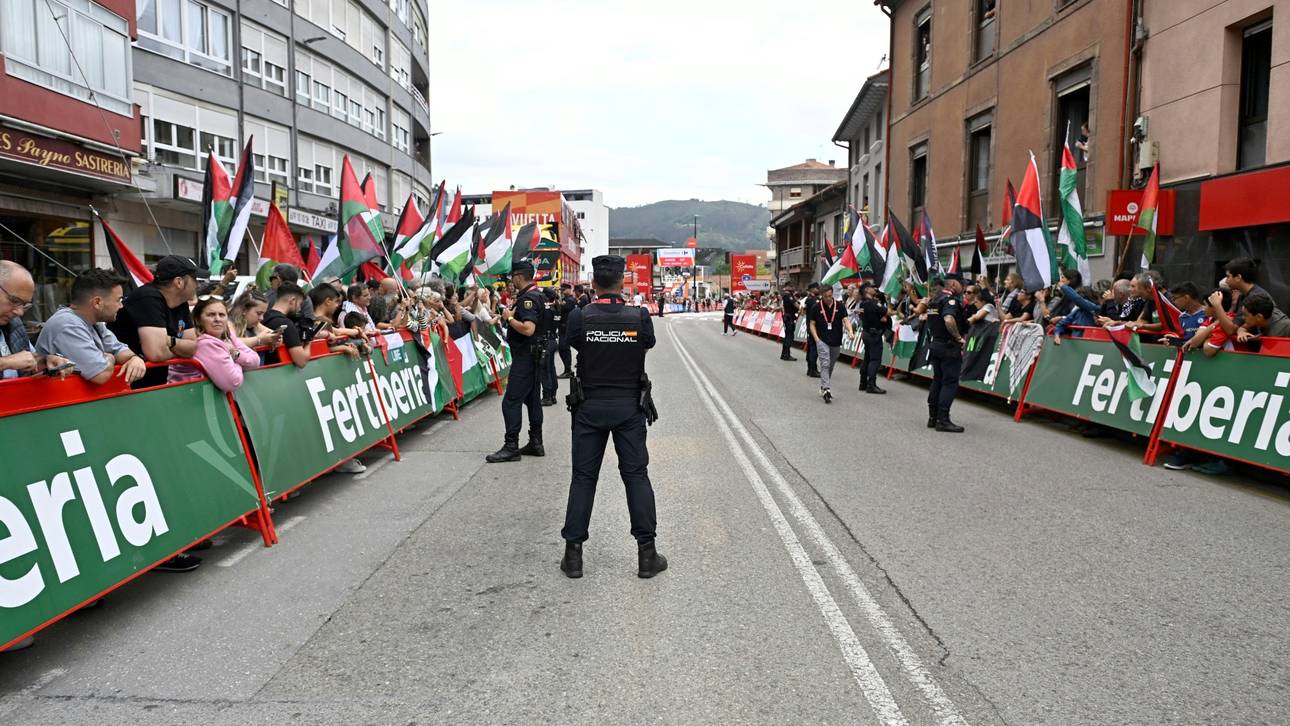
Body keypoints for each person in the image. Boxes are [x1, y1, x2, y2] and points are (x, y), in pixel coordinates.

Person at [560, 255, 664, 579]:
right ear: (622, 283)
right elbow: (644, 347)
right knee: (636, 477)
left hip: (590, 406)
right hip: (628, 408)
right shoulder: (639, 317)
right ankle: (647, 555)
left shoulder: (580, 316)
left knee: (583, 478)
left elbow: (574, 345)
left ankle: (573, 556)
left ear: (594, 284)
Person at [34, 269, 146, 385]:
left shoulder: (94, 322)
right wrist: (111, 358)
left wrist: (134, 358)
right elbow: (101, 374)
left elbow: (119, 350)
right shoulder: (68, 324)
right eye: (119, 300)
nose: (121, 306)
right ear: (97, 302)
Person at [108, 255, 203, 389]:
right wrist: (178, 348)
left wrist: (170, 341)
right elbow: (156, 353)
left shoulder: (181, 303)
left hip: (154, 384)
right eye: (194, 279)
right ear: (179, 282)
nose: (198, 285)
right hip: (126, 386)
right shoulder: (147, 298)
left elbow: (192, 348)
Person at [486, 260, 547, 462]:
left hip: (526, 356)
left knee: (511, 402)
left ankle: (511, 445)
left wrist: (509, 319)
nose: (511, 281)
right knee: (532, 400)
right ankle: (536, 442)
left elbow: (528, 329)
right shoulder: (537, 295)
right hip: (535, 355)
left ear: (519, 277)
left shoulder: (527, 298)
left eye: (513, 277)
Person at [167, 297, 260, 392]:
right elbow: (233, 382)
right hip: (187, 397)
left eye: (222, 315)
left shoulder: (228, 336)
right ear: (198, 319)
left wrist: (234, 354)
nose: (217, 319)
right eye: (211, 315)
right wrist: (238, 362)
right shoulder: (204, 343)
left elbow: (256, 361)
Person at [0, 260, 64, 380]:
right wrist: (5, 362)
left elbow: (27, 360)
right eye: (14, 301)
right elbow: (13, 361)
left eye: (24, 305)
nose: (20, 312)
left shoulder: (15, 324)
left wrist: (46, 361)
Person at [923, 274, 969, 432]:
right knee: (949, 383)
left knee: (937, 380)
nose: (963, 288)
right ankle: (943, 420)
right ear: (954, 285)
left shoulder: (933, 302)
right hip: (948, 346)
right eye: (962, 285)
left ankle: (933, 417)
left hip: (936, 343)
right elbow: (949, 319)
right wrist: (958, 337)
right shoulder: (950, 301)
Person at [808, 284, 852, 403]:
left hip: (836, 340)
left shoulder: (840, 306)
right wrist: (817, 339)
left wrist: (850, 331)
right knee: (825, 363)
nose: (828, 298)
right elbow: (812, 324)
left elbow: (846, 320)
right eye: (826, 296)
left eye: (830, 296)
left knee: (830, 365)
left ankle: (823, 385)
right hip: (822, 340)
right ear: (822, 295)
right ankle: (827, 389)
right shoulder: (816, 307)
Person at [856, 282, 890, 394]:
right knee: (875, 360)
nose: (874, 288)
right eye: (871, 287)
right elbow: (887, 312)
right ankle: (871, 385)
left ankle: (862, 383)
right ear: (866, 290)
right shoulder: (874, 303)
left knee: (867, 358)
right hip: (874, 334)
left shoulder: (862, 304)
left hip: (866, 333)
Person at [540, 286, 560, 406]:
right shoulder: (557, 308)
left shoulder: (546, 309)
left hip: (545, 341)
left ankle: (547, 396)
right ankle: (553, 395)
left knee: (545, 370)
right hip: (553, 339)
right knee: (551, 368)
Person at [556, 283, 577, 378]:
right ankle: (567, 369)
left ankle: (568, 370)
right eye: (561, 290)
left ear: (569, 289)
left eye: (564, 290)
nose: (562, 292)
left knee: (564, 348)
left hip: (566, 328)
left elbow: (562, 308)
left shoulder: (571, 300)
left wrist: (558, 304)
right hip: (562, 327)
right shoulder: (565, 299)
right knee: (562, 349)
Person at [803, 282, 821, 377]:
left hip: (810, 326)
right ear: (812, 289)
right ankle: (813, 369)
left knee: (811, 348)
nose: (818, 289)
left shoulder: (808, 299)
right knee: (814, 349)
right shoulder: (814, 300)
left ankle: (810, 368)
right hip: (815, 327)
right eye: (816, 288)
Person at [779, 283, 799, 361]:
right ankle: (787, 355)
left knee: (787, 336)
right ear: (788, 287)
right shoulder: (789, 296)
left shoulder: (785, 296)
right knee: (789, 337)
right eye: (792, 286)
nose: (793, 288)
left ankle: (784, 354)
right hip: (790, 318)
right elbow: (797, 305)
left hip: (787, 318)